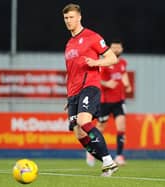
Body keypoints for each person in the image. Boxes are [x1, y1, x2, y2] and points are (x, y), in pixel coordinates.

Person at [62, 3, 119, 176]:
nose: (68, 21)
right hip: (73, 93)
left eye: (71, 17)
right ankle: (109, 162)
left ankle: (108, 161)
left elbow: (112, 58)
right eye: (66, 18)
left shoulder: (91, 37)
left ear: (79, 17)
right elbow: (70, 73)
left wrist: (96, 63)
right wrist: (68, 97)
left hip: (90, 86)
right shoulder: (69, 44)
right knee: (79, 133)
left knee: (84, 121)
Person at [86, 39, 132, 167]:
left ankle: (119, 156)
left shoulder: (122, 63)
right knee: (100, 128)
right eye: (114, 47)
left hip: (119, 101)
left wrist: (127, 84)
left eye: (119, 47)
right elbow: (96, 78)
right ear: (110, 49)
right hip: (105, 101)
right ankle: (91, 151)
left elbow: (123, 74)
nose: (116, 49)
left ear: (121, 49)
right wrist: (107, 84)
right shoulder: (105, 63)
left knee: (121, 128)